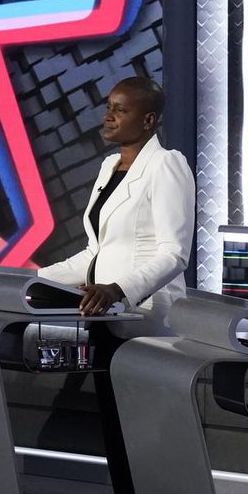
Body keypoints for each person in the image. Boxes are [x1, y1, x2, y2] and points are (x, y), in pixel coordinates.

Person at [38, 77, 195, 335]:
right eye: (109, 107)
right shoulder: (109, 166)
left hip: (145, 314)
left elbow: (174, 254)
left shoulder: (165, 164)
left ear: (148, 120)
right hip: (102, 311)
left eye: (120, 110)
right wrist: (35, 280)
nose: (109, 116)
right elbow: (96, 252)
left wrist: (117, 289)